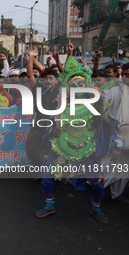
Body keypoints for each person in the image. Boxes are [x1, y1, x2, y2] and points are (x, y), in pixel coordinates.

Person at [35, 56, 111, 224]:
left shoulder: (97, 104)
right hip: (63, 147)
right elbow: (55, 125)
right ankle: (49, 205)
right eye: (73, 84)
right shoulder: (62, 105)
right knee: (48, 176)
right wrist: (54, 132)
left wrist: (115, 142)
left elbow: (108, 125)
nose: (77, 87)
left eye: (80, 84)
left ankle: (96, 208)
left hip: (87, 149)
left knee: (96, 181)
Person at [25, 48, 60, 181]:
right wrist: (31, 57)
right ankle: (40, 169)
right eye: (46, 79)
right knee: (30, 149)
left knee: (54, 152)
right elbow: (29, 75)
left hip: (53, 127)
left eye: (51, 79)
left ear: (56, 80)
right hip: (37, 125)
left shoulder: (60, 89)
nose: (48, 81)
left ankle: (52, 175)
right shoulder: (39, 88)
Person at [102, 63, 129, 203]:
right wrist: (114, 141)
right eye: (124, 74)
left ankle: (116, 194)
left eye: (128, 75)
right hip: (113, 137)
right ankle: (96, 200)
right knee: (109, 167)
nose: (125, 78)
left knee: (124, 168)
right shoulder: (113, 92)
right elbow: (103, 114)